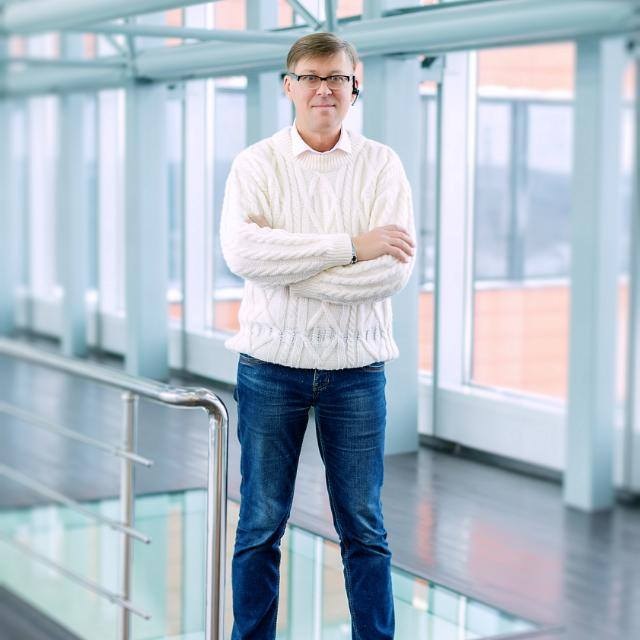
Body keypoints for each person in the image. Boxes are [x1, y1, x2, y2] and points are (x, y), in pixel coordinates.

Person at [220, 31, 416, 640]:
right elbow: (243, 253)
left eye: (336, 78)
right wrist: (351, 247)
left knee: (364, 527)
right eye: (310, 77)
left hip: (357, 372)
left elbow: (392, 272)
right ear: (289, 87)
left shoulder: (382, 165)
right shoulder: (256, 164)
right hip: (269, 367)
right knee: (260, 524)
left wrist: (289, 269)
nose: (323, 89)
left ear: (356, 88)